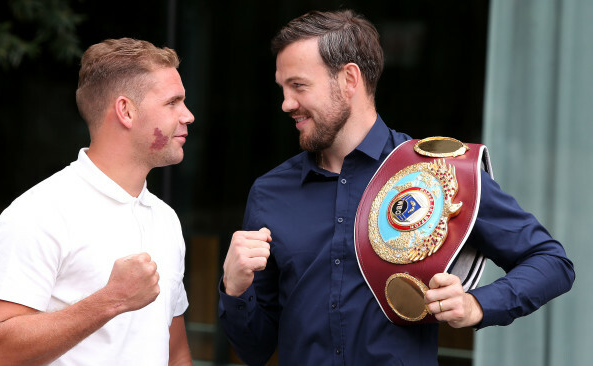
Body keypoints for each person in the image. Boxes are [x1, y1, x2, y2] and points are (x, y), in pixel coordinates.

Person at [219, 9, 575, 366]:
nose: (286, 104)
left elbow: (551, 262)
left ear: (349, 79)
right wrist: (235, 289)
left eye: (298, 86)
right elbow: (254, 350)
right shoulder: (269, 193)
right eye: (282, 88)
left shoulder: (440, 173)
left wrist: (477, 305)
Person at [0, 38, 194, 365]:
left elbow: (174, 351)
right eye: (173, 102)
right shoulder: (37, 214)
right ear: (126, 110)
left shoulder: (165, 219)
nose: (188, 115)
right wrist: (111, 300)